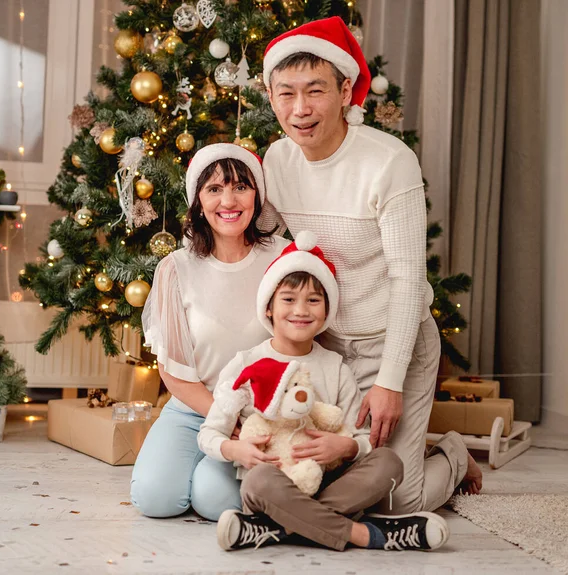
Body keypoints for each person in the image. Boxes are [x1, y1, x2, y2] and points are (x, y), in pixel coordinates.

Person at [258, 16, 482, 513]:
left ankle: (452, 453)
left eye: (314, 91)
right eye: (285, 94)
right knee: (317, 475)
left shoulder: (388, 161)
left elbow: (408, 282)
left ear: (345, 90)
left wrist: (389, 382)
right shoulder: (277, 160)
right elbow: (265, 244)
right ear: (270, 96)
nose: (299, 110)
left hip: (394, 341)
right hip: (328, 349)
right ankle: (411, 449)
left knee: (397, 502)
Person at [198, 231, 450, 552]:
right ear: (270, 308)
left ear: (326, 310)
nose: (301, 310)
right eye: (288, 299)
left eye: (313, 300)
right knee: (258, 481)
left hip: (328, 481)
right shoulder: (247, 363)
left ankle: (277, 529)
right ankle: (368, 535)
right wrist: (237, 451)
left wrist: (343, 447)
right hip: (274, 483)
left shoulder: (335, 366)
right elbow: (209, 434)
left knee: (389, 463)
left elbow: (362, 440)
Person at [131, 143, 289, 521]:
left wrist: (245, 424)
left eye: (240, 187)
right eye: (214, 189)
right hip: (191, 410)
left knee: (217, 501)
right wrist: (224, 420)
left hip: (258, 415)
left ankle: (210, 473)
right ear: (198, 202)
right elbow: (173, 371)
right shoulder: (176, 268)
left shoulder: (283, 258)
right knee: (156, 499)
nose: (228, 200)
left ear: (258, 196)